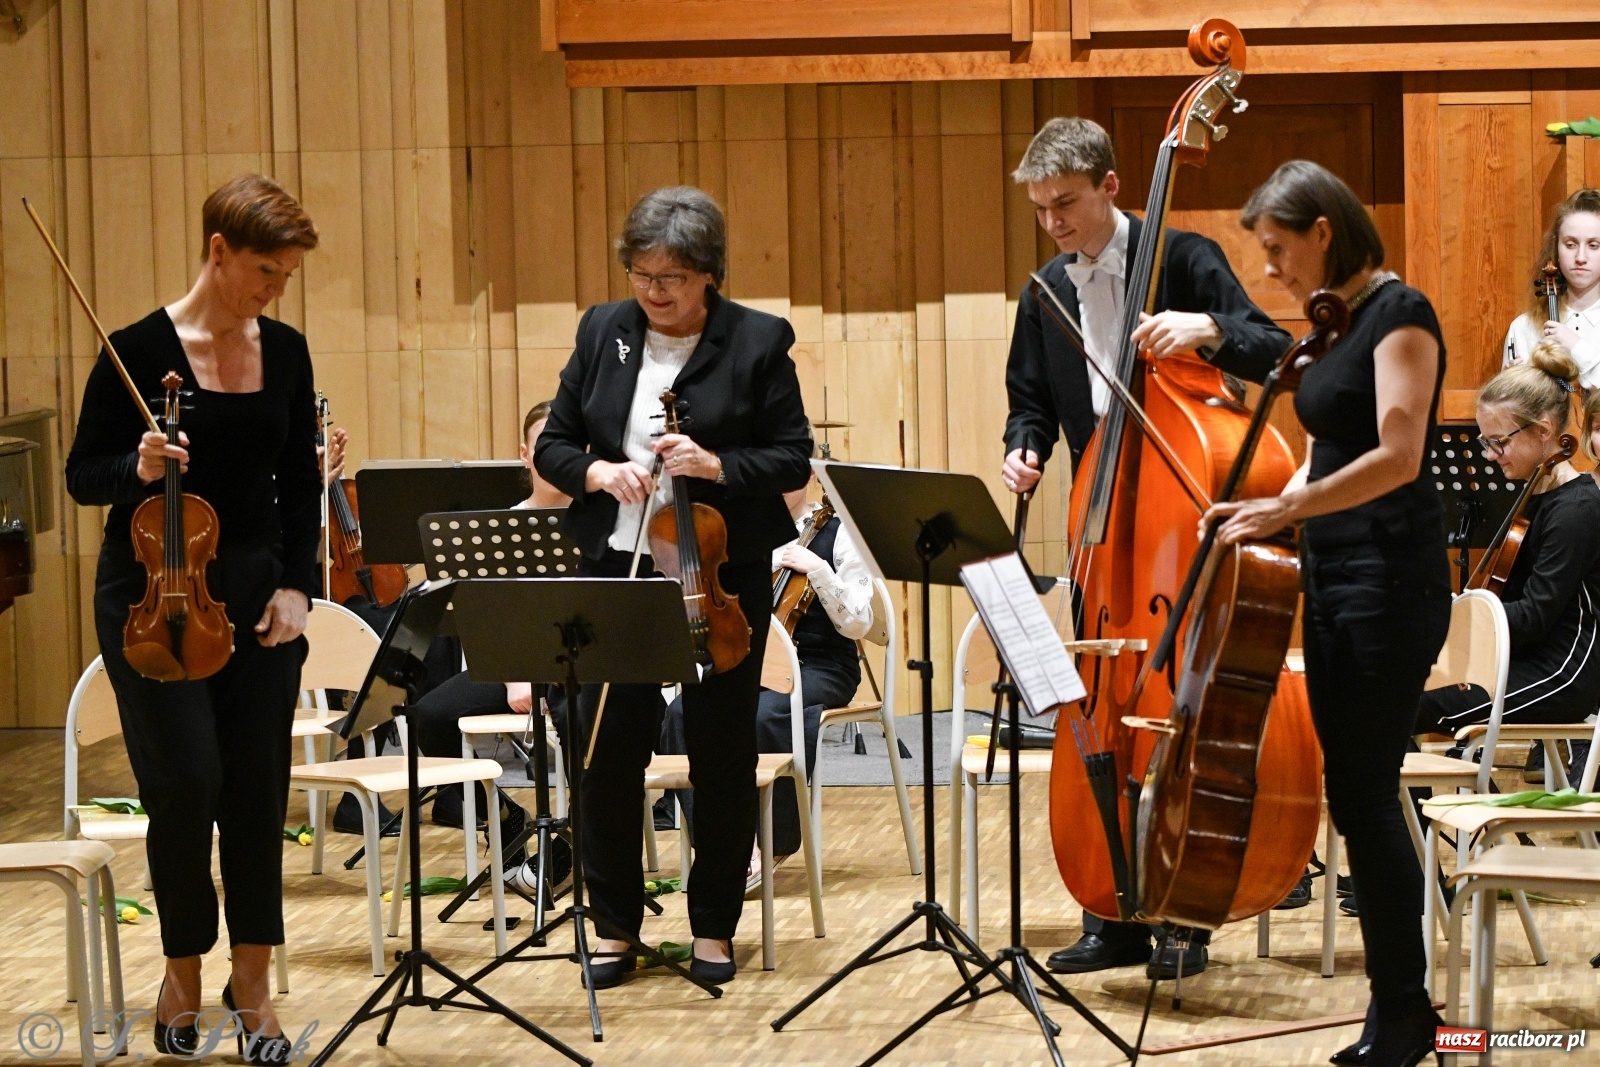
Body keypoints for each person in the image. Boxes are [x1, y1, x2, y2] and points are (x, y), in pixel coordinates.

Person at [1005, 117, 1293, 980]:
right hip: (1103, 522)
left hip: (1180, 513)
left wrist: (1206, 328)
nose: (1054, 223)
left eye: (1067, 204)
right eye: (1040, 209)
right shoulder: (1044, 290)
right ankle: (1110, 909)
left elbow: (1273, 350)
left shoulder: (1186, 258)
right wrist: (1023, 445)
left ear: (1111, 187)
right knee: (1104, 700)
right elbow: (1030, 398)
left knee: (1176, 706)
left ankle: (1183, 908)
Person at [65, 174, 320, 1065]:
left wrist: (300, 587)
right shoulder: (133, 350)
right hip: (150, 602)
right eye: (264, 270)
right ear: (218, 251)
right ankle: (181, 968)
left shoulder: (284, 352)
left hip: (256, 602)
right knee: (187, 785)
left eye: (285, 274)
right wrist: (133, 469)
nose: (274, 288)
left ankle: (251, 981)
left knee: (256, 792)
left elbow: (302, 484)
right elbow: (80, 475)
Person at [1206, 159, 1451, 1067]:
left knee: (1363, 793)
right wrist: (1257, 506)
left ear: (1323, 229)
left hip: (1391, 580)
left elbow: (1397, 453)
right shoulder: (1334, 327)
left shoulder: (1402, 314)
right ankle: (1397, 1008)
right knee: (1353, 795)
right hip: (1339, 574)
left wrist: (1286, 511)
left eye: (1277, 249)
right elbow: (1327, 451)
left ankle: (1407, 1011)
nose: (1271, 270)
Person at [535, 186, 812, 988]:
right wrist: (596, 470)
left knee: (719, 754)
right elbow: (555, 441)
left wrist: (718, 465)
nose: (654, 290)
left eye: (673, 277)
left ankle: (714, 927)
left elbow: (792, 456)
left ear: (709, 276)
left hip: (715, 577)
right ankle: (615, 925)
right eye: (641, 272)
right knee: (604, 753)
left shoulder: (758, 341)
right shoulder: (602, 331)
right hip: (617, 572)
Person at [658, 462, 884, 883]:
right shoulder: (743, 532)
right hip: (749, 660)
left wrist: (817, 569)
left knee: (764, 714)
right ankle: (714, 840)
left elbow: (859, 623)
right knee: (681, 714)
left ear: (810, 474)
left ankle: (767, 842)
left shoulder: (838, 533)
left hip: (818, 663)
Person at [412, 400, 574, 893]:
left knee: (597, 725)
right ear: (524, 456)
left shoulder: (602, 522)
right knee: (432, 717)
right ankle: (502, 817)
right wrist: (513, 674)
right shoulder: (499, 530)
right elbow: (485, 617)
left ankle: (576, 849)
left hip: (587, 666)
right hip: (515, 663)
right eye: (543, 447)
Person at [1416, 345, 1600, 741]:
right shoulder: (1532, 496)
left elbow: (1534, 618)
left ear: (1544, 431)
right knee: (1395, 686)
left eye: (1499, 442)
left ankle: (1423, 803)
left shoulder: (1577, 509)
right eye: (1486, 441)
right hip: (1518, 660)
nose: (1491, 455)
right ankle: (1432, 801)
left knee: (1413, 704)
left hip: (1560, 672)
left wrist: (1454, 616)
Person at [1503, 189, 1600, 388]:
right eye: (1570, 244)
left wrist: (1576, 346)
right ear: (1556, 247)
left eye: (1594, 245)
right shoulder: (1524, 328)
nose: (1580, 257)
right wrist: (1508, 393)